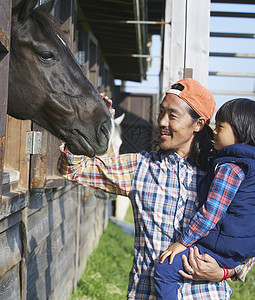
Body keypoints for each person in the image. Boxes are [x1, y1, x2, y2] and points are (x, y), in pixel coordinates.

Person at [57, 78, 254, 299]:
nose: (162, 121)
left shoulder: (225, 173)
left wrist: (226, 271)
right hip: (148, 293)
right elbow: (74, 169)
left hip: (207, 293)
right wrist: (90, 124)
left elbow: (247, 233)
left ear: (198, 124)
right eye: (161, 112)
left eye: (172, 115)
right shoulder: (139, 167)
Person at [154, 97, 255, 299]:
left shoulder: (230, 168)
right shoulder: (248, 166)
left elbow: (211, 213)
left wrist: (183, 242)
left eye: (220, 126)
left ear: (239, 131)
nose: (214, 130)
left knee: (164, 270)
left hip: (221, 246)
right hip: (240, 250)